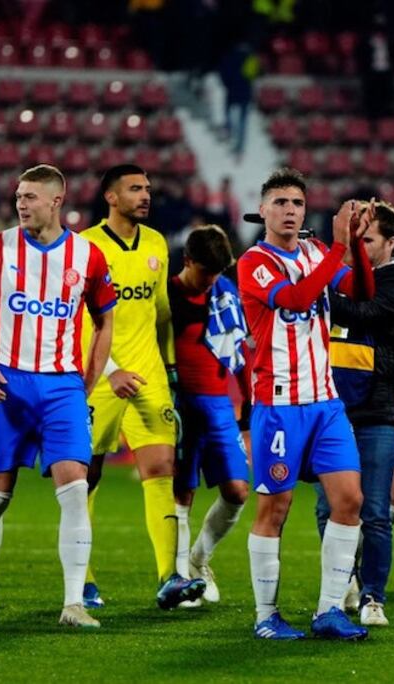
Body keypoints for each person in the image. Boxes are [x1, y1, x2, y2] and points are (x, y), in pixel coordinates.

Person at [0, 164, 115, 629]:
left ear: (56, 200)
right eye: (18, 196)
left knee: (75, 489)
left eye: (30, 197)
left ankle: (73, 604)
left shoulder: (88, 256)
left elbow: (105, 320)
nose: (20, 204)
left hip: (62, 386)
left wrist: (88, 379)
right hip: (6, 385)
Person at [237, 170, 372, 641]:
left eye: (297, 202)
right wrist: (337, 248)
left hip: (325, 402)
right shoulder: (254, 262)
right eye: (280, 202)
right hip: (279, 404)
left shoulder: (316, 252)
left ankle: (330, 610)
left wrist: (351, 244)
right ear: (264, 210)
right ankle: (265, 615)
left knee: (350, 500)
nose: (291, 210)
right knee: (276, 507)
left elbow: (360, 292)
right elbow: (295, 297)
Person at [80, 164, 205, 610]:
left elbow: (161, 312)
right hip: (99, 379)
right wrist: (110, 369)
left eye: (148, 188)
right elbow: (81, 320)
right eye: (135, 188)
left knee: (160, 472)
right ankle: (83, 578)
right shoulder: (86, 247)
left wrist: (170, 369)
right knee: (83, 478)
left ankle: (168, 577)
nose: (145, 195)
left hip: (148, 375)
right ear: (111, 197)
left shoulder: (155, 244)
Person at [320, 200, 394, 627]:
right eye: (353, 239)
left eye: (366, 241)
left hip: (379, 404)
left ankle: (372, 596)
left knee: (376, 509)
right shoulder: (336, 273)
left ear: (390, 243)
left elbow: (380, 314)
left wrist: (321, 298)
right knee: (328, 510)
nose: (356, 248)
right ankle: (339, 584)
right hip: (330, 401)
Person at [168, 225, 252, 607]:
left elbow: (239, 349)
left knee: (237, 492)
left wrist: (249, 402)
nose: (213, 280)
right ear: (187, 261)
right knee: (181, 492)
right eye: (207, 272)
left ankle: (199, 560)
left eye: (219, 272)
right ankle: (182, 579)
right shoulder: (167, 294)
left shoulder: (225, 293)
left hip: (219, 405)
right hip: (181, 402)